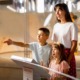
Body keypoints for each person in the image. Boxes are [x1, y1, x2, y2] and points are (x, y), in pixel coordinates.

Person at [51, 3, 78, 79]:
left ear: (65, 11)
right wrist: (53, 56)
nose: (57, 13)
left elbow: (74, 43)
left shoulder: (71, 25)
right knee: (56, 76)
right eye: (56, 11)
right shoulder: (56, 26)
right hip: (57, 53)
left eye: (59, 10)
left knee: (67, 77)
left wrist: (68, 59)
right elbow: (54, 43)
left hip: (67, 53)